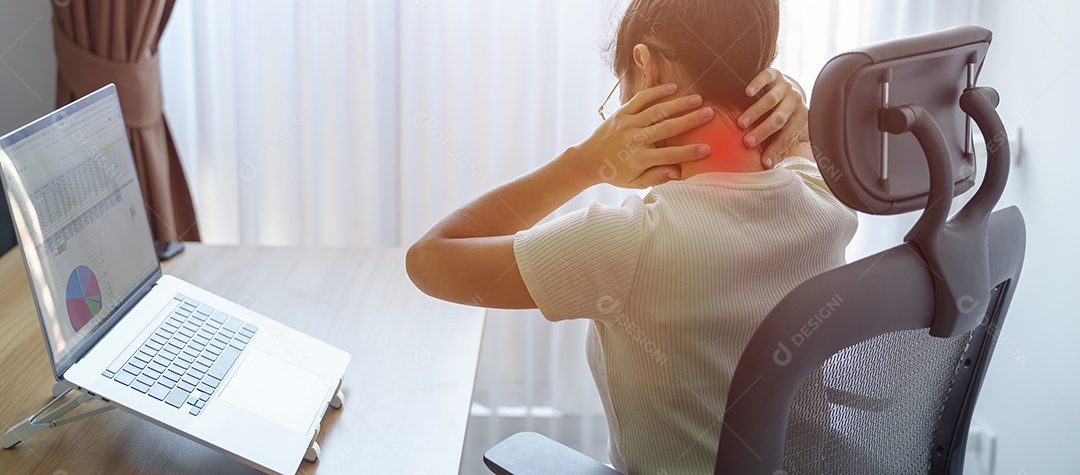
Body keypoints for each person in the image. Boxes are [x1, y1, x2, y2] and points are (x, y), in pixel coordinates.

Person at [406, 0, 858, 472]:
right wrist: (790, 100)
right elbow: (802, 139)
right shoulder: (826, 203)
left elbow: (428, 260)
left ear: (648, 70)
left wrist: (583, 162)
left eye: (619, 96)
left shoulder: (627, 243)